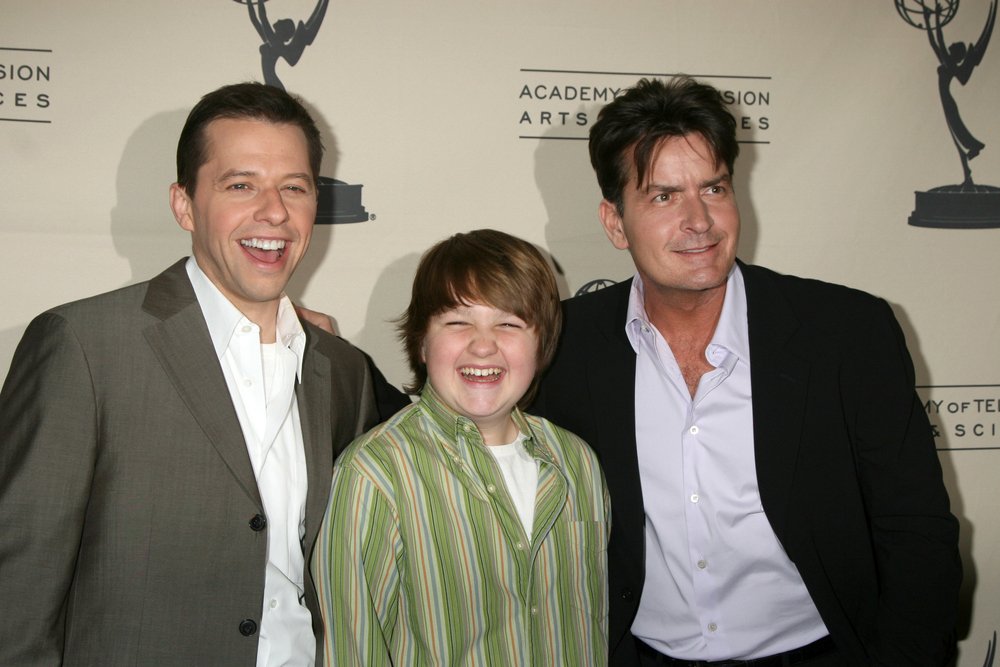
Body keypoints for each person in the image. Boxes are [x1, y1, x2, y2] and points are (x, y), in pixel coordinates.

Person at [531, 76, 962, 666]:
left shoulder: (846, 333)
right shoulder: (563, 343)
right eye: (663, 196)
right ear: (614, 222)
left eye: (714, 188)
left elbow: (916, 532)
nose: (699, 220)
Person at [0, 81, 406, 666]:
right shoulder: (85, 346)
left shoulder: (340, 370)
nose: (274, 211)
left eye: (294, 187)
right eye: (241, 185)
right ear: (184, 204)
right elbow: (18, 590)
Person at [311, 229, 611, 666]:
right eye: (457, 322)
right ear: (421, 341)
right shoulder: (374, 475)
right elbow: (351, 650)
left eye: (509, 323)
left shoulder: (577, 462)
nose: (484, 344)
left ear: (542, 343)